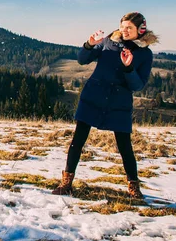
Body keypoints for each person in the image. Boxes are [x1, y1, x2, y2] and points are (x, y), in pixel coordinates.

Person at [52, 12, 158, 198]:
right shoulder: (109, 41)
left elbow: (138, 85)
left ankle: (134, 188)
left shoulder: (144, 54)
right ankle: (66, 183)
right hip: (93, 96)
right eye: (123, 26)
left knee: (125, 146)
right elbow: (82, 59)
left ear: (140, 30)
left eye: (129, 28)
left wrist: (128, 68)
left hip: (119, 102)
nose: (124, 31)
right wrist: (89, 44)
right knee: (78, 141)